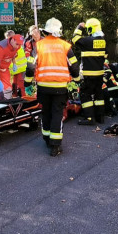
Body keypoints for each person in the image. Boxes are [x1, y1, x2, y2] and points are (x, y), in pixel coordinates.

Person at [35, 17, 79, 156]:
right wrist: (77, 79)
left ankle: (47, 139)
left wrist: (27, 82)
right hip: (60, 88)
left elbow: (30, 66)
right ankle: (55, 145)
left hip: (43, 87)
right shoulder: (65, 46)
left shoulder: (38, 45)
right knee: (57, 114)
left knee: (46, 112)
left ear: (46, 30)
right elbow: (74, 67)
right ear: (58, 31)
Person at [73, 17, 108, 124]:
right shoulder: (103, 42)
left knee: (85, 95)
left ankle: (89, 118)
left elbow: (75, 39)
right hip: (99, 74)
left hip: (88, 75)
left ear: (90, 29)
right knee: (99, 95)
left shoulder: (88, 41)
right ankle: (100, 117)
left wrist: (80, 27)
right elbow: (105, 56)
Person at [0, 31, 23, 100]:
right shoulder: (2, 48)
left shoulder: (17, 46)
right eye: (17, 44)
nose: (18, 46)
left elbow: (12, 54)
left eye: (20, 45)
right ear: (13, 40)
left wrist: (14, 64)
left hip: (4, 67)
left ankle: (7, 103)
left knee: (8, 88)